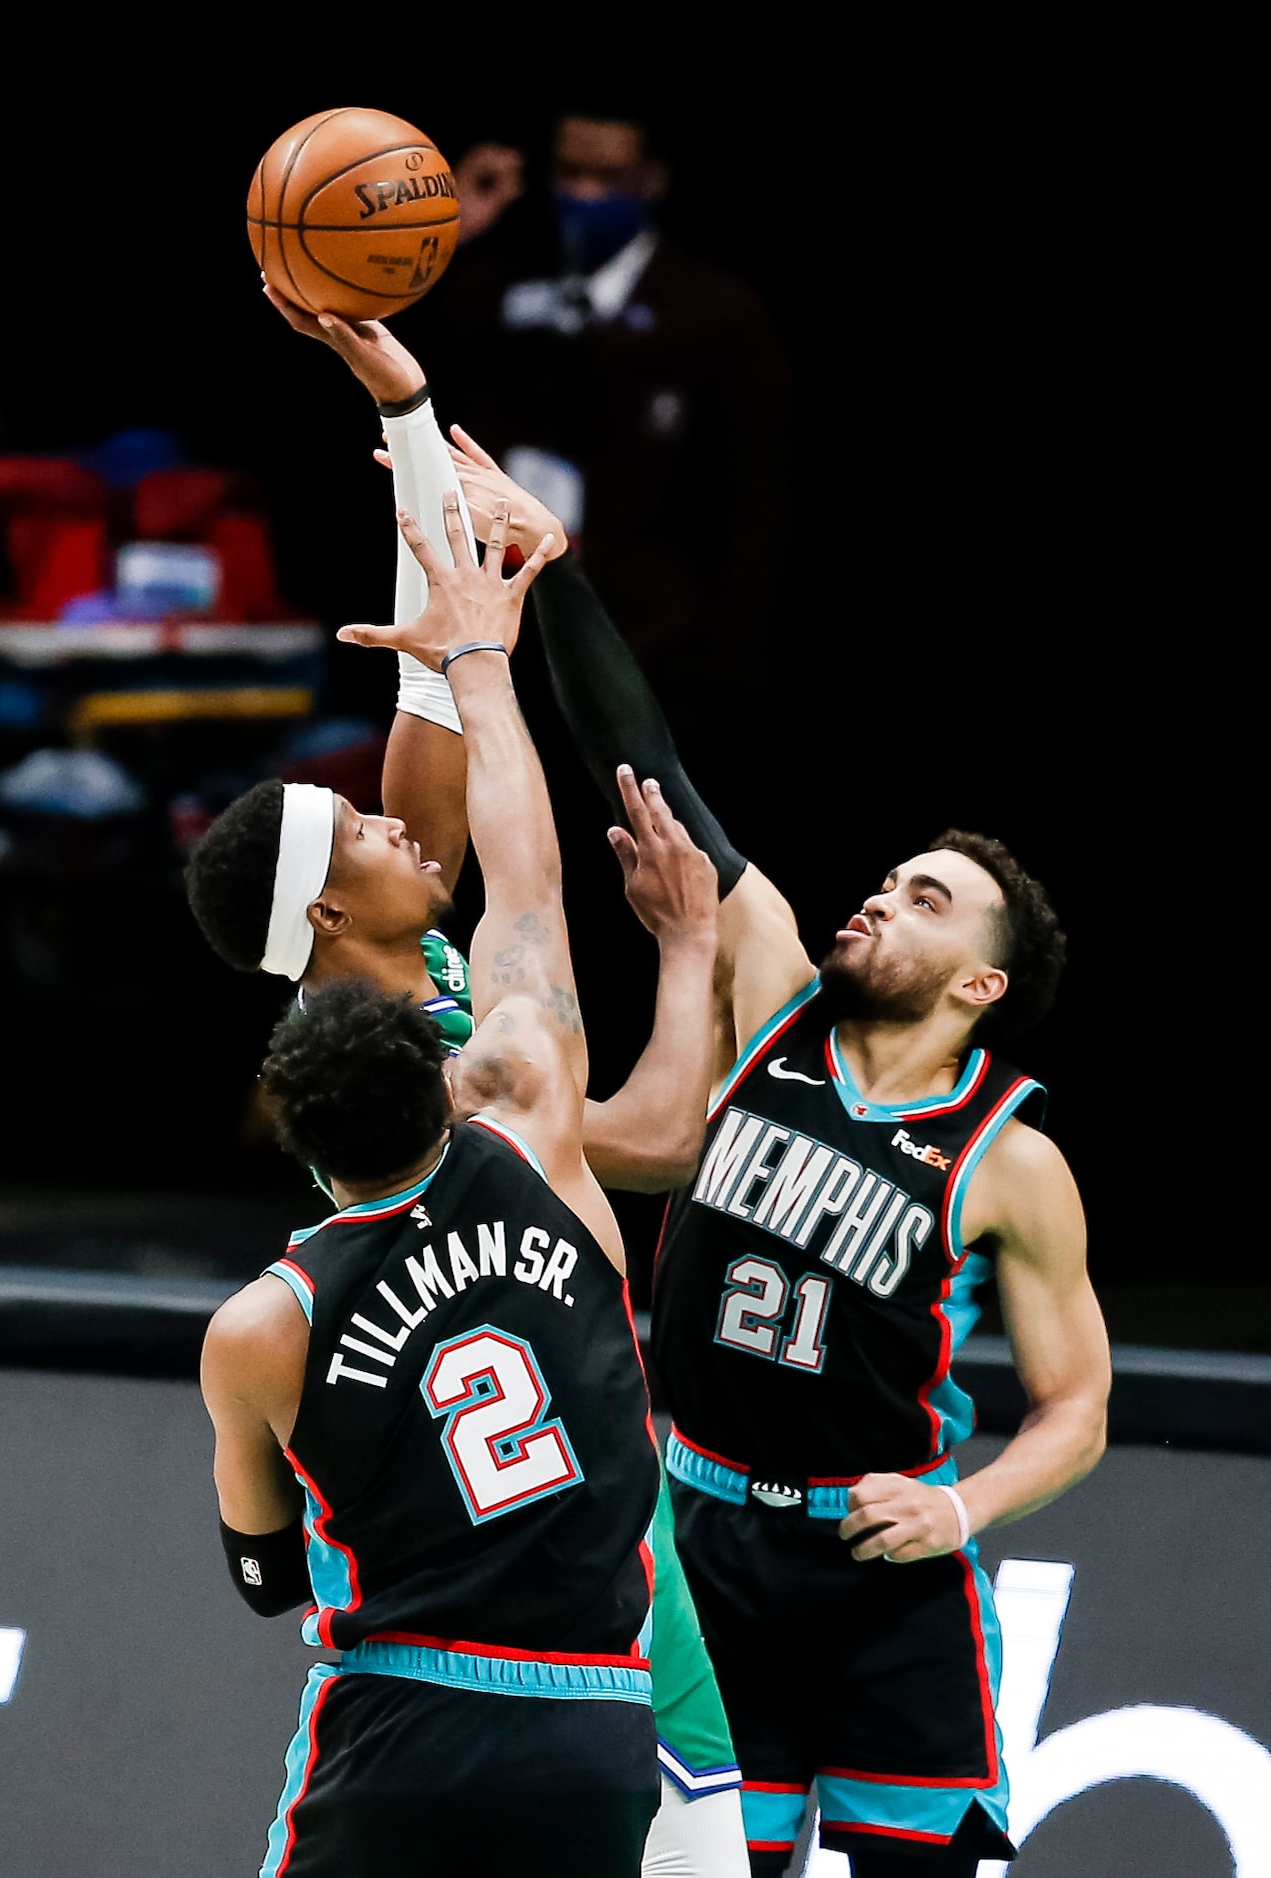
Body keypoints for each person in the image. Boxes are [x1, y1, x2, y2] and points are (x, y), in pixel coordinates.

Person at [426, 439, 1113, 1877]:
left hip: (877, 1586)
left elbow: (1079, 1405)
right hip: (695, 1541)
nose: (878, 897)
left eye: (922, 902)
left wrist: (961, 1502)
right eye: (886, 878)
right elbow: (652, 771)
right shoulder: (776, 1002)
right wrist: (556, 573)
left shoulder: (1007, 1157)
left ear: (977, 986)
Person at [188, 300, 752, 1876]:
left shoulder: (395, 977)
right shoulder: (461, 1063)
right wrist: (689, 963)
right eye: (361, 832)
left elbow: (440, 683)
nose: (389, 822)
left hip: (454, 1656)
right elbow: (648, 1138)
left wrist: (413, 419)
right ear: (325, 913)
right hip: (558, 1590)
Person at [418, 98, 790, 699]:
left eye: (608, 178)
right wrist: (447, 236)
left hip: (658, 657)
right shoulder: (490, 292)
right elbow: (396, 372)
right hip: (510, 643)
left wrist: (728, 665)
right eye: (570, 174)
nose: (586, 194)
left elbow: (754, 505)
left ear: (652, 179)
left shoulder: (717, 316)